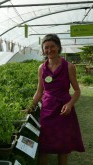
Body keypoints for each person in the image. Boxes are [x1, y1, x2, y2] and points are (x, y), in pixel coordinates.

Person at [30, 34, 85, 165]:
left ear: (59, 47)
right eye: (46, 48)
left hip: (63, 110)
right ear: (43, 50)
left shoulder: (69, 67)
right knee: (44, 147)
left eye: (52, 47)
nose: (49, 50)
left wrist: (70, 105)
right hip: (47, 109)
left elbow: (77, 91)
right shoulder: (41, 68)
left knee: (63, 147)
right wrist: (30, 106)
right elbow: (39, 92)